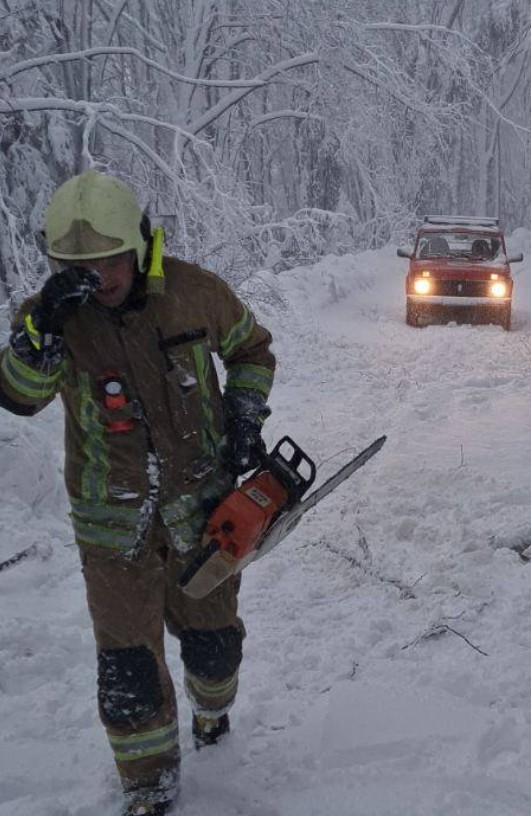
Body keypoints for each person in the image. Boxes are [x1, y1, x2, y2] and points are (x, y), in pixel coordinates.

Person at [0, 170, 275, 814]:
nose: (99, 279)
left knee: (214, 648)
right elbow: (18, 396)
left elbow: (253, 350)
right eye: (78, 267)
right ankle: (149, 789)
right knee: (127, 671)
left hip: (202, 510)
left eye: (108, 262)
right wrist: (39, 332)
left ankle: (213, 715)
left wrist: (243, 414)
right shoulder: (53, 320)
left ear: (139, 245)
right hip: (111, 528)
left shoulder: (192, 292)